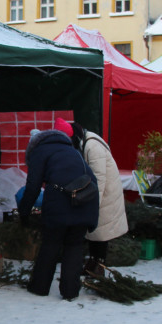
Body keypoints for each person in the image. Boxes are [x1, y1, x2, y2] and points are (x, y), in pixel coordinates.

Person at [18, 120, 100, 300]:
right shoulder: (73, 151)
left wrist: (24, 212)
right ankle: (70, 291)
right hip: (86, 202)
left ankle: (39, 287)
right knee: (74, 245)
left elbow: (33, 186)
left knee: (51, 243)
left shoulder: (40, 151)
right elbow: (92, 179)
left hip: (60, 202)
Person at [69, 120, 128, 276]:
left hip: (105, 193)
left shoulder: (92, 147)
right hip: (101, 191)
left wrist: (95, 202)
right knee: (96, 232)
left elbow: (99, 177)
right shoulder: (87, 142)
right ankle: (93, 262)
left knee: (102, 231)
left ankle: (99, 264)